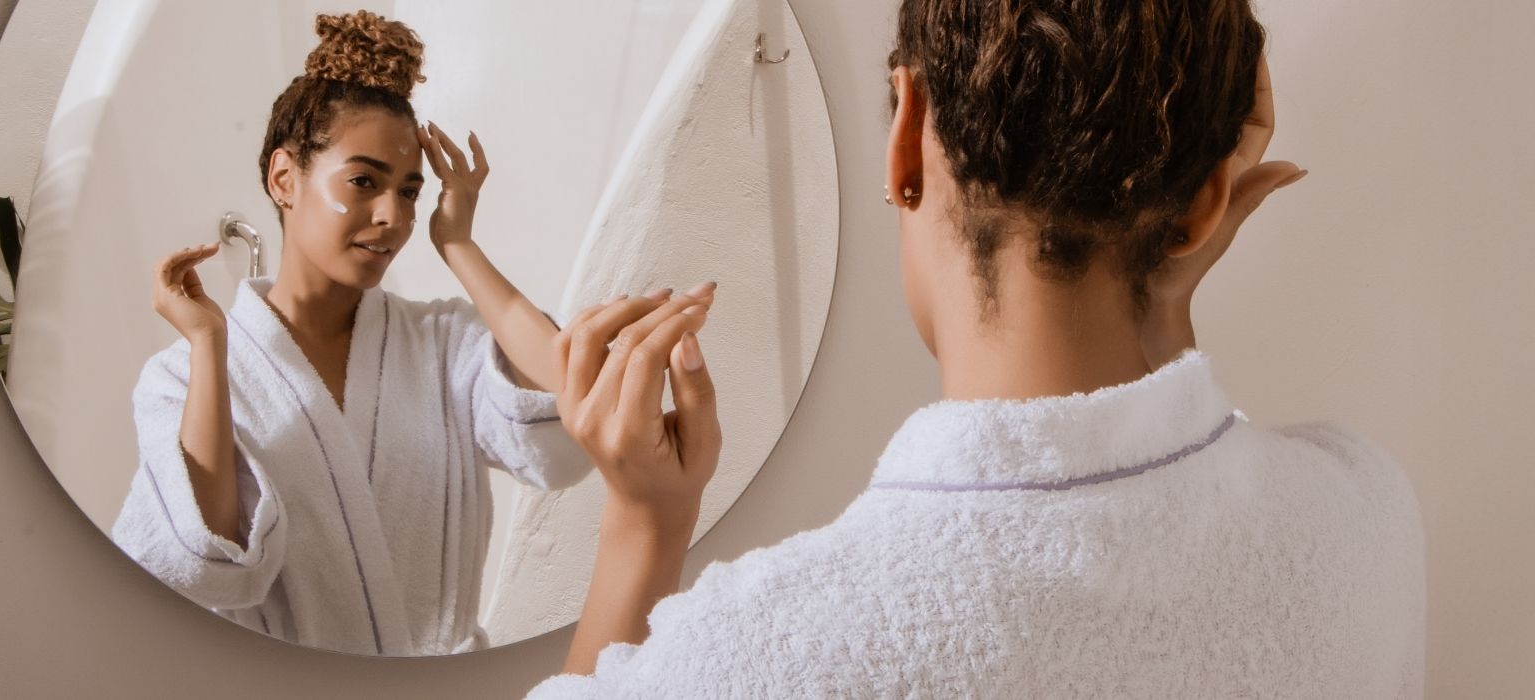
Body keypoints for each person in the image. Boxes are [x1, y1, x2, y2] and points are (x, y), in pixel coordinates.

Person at [528, 0, 1425, 696]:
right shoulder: (1361, 513)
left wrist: (643, 530)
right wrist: (1160, 309)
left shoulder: (751, 661)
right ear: (1201, 208)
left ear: (906, 134)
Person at [109, 11, 660, 657]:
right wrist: (208, 343)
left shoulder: (440, 343)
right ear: (285, 179)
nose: (392, 216)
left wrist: (459, 244)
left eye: (409, 191)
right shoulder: (179, 378)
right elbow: (205, 562)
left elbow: (570, 425)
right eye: (364, 181)